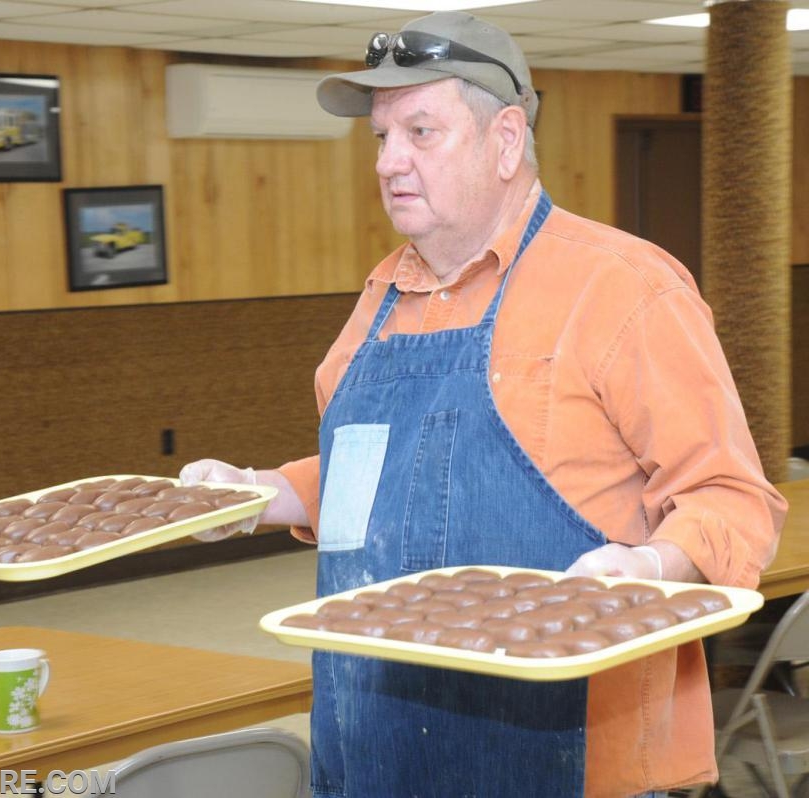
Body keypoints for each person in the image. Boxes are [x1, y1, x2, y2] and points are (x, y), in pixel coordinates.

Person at [180, 11, 787, 798]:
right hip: (375, 742)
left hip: (576, 757)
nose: (390, 162)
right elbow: (381, 477)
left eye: (421, 132)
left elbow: (732, 499)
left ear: (505, 141)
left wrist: (649, 565)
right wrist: (261, 494)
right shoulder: (380, 298)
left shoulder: (623, 287)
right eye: (380, 137)